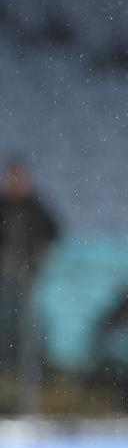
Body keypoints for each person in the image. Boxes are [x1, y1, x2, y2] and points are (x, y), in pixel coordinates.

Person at [0, 159, 60, 383]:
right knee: (5, 327)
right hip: (3, 277)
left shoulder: (35, 206)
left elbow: (54, 232)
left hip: (27, 277)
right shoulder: (3, 205)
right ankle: (7, 374)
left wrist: (39, 252)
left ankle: (29, 379)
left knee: (27, 329)